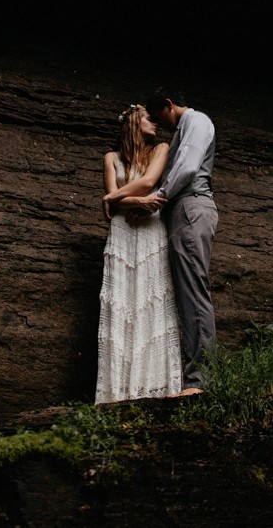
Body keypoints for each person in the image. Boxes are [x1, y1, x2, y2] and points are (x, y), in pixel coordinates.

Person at [104, 88, 218, 396]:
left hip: (191, 206)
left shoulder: (197, 122)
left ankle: (200, 381)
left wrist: (153, 198)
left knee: (193, 292)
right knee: (186, 294)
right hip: (181, 210)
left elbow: (189, 167)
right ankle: (194, 378)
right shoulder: (183, 130)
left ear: (169, 105)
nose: (159, 125)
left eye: (158, 117)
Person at [95, 104, 182, 404]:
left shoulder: (161, 149)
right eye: (148, 118)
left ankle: (154, 389)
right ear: (133, 122)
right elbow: (117, 207)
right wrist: (137, 203)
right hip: (122, 232)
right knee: (122, 303)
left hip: (150, 233)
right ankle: (117, 393)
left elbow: (148, 183)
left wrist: (115, 197)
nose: (155, 122)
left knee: (151, 301)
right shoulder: (110, 158)